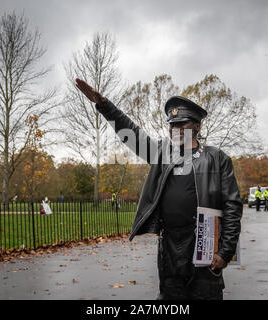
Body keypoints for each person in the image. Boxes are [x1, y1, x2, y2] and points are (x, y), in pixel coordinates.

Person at [75, 78, 242, 300]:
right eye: (172, 125)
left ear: (197, 126)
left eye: (182, 124)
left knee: (206, 296)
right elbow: (132, 134)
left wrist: (226, 251)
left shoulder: (217, 158)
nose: (176, 129)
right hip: (170, 245)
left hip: (204, 242)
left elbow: (232, 206)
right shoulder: (161, 152)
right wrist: (105, 106)